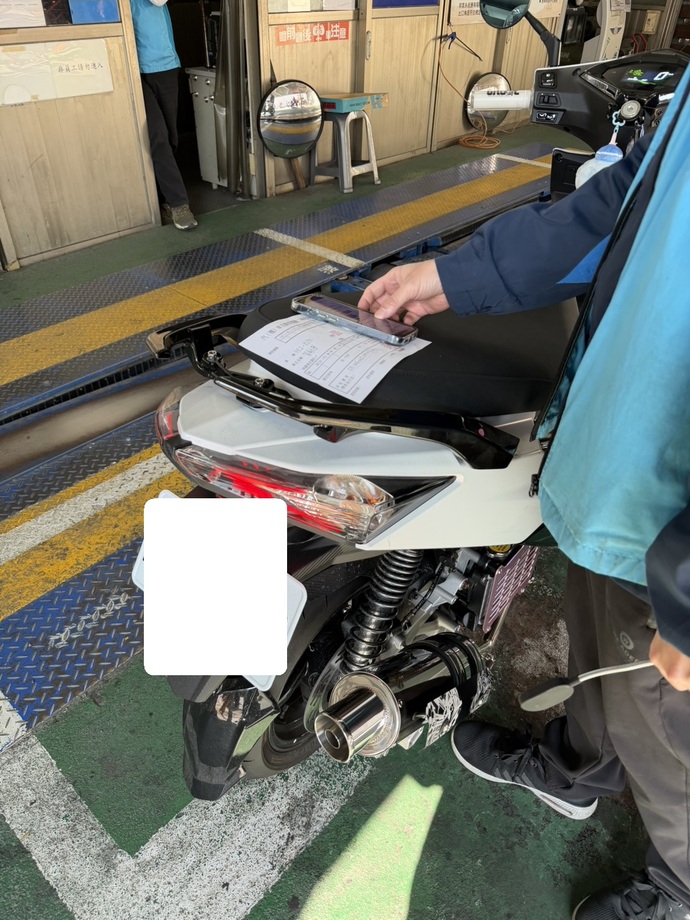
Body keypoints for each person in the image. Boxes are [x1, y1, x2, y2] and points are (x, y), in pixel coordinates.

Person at [359, 69, 690, 920]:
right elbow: (632, 200)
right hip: (620, 466)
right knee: (603, 650)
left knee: (669, 728)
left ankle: (679, 888)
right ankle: (578, 770)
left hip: (675, 523)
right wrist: (455, 277)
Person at [130, 0, 197, 231]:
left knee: (170, 138)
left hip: (164, 65)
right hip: (131, 69)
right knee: (157, 135)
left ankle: (164, 197)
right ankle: (179, 203)